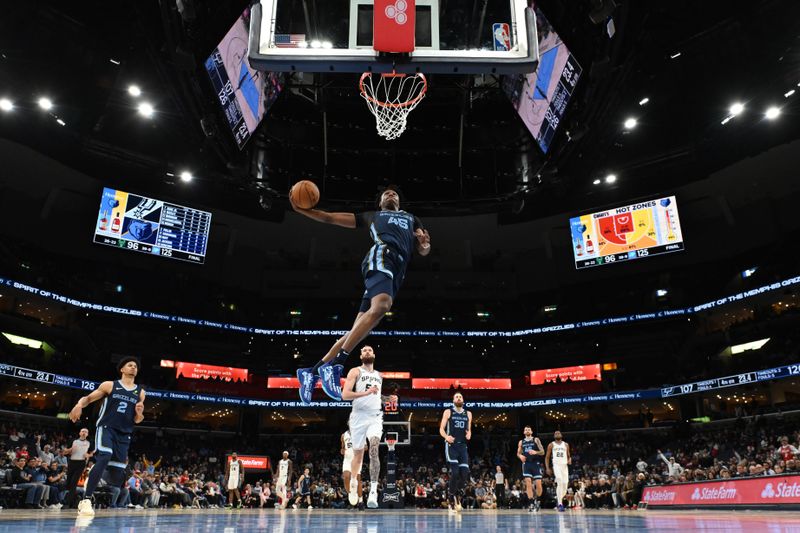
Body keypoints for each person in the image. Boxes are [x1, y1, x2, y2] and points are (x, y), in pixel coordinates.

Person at [293, 188, 431, 403]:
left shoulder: (412, 218)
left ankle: (311, 372)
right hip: (382, 255)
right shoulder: (372, 216)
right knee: (383, 305)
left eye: (394, 193)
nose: (391, 194)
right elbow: (330, 217)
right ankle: (336, 365)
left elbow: (423, 250)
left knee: (359, 331)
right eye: (386, 193)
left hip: (397, 270)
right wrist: (300, 210)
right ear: (380, 202)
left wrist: (425, 245)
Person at [69, 356, 145, 516]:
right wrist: (78, 405)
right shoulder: (110, 385)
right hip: (107, 428)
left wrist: (139, 413)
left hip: (124, 434)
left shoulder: (141, 392)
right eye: (130, 365)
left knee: (116, 472)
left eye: (135, 366)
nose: (133, 368)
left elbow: (138, 419)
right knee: (105, 456)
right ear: (122, 369)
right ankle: (86, 500)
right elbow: (89, 397)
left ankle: (91, 477)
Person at [341, 345, 397, 509]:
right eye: (364, 350)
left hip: (375, 417)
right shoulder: (355, 371)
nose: (367, 352)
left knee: (374, 448)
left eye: (370, 350)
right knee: (357, 456)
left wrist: (388, 399)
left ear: (374, 355)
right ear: (360, 356)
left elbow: (377, 397)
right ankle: (353, 482)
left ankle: (373, 491)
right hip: (358, 416)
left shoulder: (379, 375)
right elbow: (345, 395)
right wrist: (366, 393)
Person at [439, 392, 472, 513]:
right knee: (455, 472)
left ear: (463, 400)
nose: (459, 398)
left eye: (460, 397)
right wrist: (446, 437)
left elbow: (469, 430)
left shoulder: (468, 413)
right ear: (453, 400)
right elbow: (441, 429)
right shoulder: (448, 412)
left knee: (464, 474)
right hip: (451, 445)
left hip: (463, 446)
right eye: (456, 397)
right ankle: (451, 498)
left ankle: (456, 495)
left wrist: (469, 433)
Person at [64, 428, 94, 508]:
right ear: (79, 433)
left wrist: (88, 455)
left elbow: (93, 452)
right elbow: (65, 451)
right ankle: (71, 501)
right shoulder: (74, 441)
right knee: (68, 483)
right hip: (72, 461)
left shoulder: (89, 443)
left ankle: (67, 503)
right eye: (83, 431)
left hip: (81, 463)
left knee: (74, 482)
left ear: (87, 434)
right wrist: (71, 449)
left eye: (86, 432)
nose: (84, 433)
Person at [517, 425, 545, 512]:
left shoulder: (536, 439)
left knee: (538, 484)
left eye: (529, 429)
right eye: (526, 430)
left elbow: (543, 452)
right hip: (527, 464)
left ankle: (538, 501)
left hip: (535, 464)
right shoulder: (521, 442)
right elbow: (518, 453)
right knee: (528, 483)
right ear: (524, 432)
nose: (527, 431)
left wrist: (535, 452)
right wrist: (520, 456)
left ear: (531, 432)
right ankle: (531, 503)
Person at [545, 430, 571, 512]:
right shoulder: (551, 445)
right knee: (559, 481)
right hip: (556, 465)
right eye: (555, 433)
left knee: (565, 485)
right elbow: (547, 457)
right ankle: (560, 504)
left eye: (558, 433)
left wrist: (570, 460)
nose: (557, 434)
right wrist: (547, 468)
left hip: (564, 466)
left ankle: (559, 498)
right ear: (554, 436)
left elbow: (569, 456)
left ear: (561, 435)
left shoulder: (566, 444)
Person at [341, 429, 362, 507]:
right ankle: (351, 493)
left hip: (357, 460)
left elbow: (366, 447)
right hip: (347, 460)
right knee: (346, 477)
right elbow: (342, 447)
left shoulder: (360, 433)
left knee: (358, 480)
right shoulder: (343, 435)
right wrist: (342, 450)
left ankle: (360, 501)